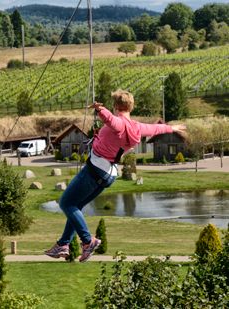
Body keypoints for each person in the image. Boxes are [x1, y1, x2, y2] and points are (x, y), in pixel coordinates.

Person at [45, 89, 186, 262]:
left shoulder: (119, 123)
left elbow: (111, 121)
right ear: (131, 107)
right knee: (76, 206)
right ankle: (63, 244)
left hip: (95, 169)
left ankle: (88, 241)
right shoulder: (136, 127)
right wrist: (171, 128)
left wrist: (99, 109)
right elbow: (154, 128)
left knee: (66, 202)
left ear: (116, 106)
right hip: (108, 174)